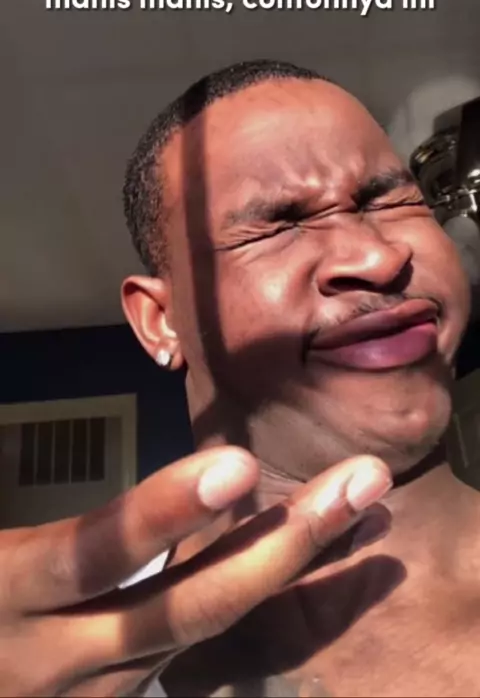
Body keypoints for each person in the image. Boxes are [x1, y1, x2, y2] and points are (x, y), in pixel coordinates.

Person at [0, 59, 475, 697]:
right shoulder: (57, 668)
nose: (378, 256)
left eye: (388, 199)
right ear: (162, 322)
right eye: (278, 223)